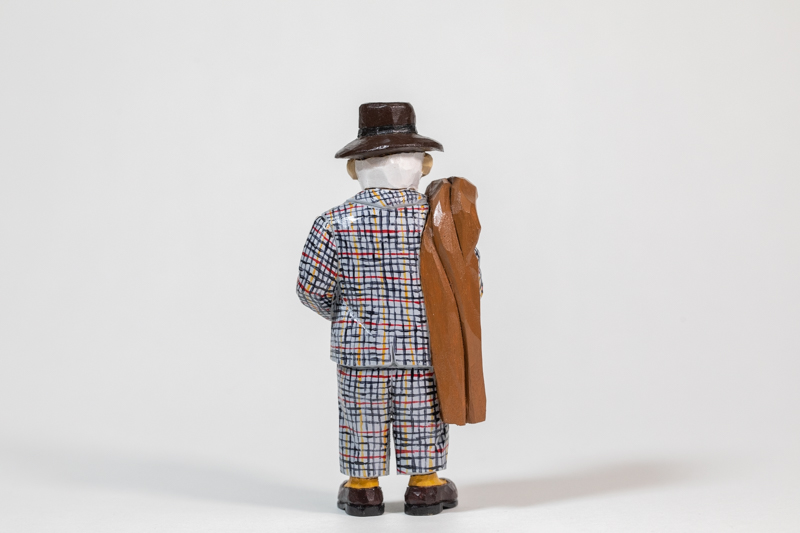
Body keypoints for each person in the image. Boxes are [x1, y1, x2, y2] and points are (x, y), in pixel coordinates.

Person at [296, 102, 466, 517]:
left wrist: (346, 314)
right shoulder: (440, 223)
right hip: (423, 346)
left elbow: (310, 288)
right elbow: (468, 285)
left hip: (359, 349)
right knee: (422, 414)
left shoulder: (333, 223)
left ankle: (363, 489)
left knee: (362, 416)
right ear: (424, 164)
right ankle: (425, 487)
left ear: (354, 168)